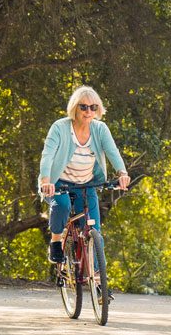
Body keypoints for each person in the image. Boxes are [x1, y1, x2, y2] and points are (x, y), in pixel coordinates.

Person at [39, 86, 130, 264]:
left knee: (94, 229)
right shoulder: (60, 127)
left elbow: (112, 152)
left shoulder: (100, 129)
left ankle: (97, 279)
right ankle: (56, 240)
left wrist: (123, 173)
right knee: (62, 205)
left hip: (85, 184)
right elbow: (47, 155)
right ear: (75, 108)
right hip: (58, 183)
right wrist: (45, 180)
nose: (88, 111)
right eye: (83, 107)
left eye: (93, 107)